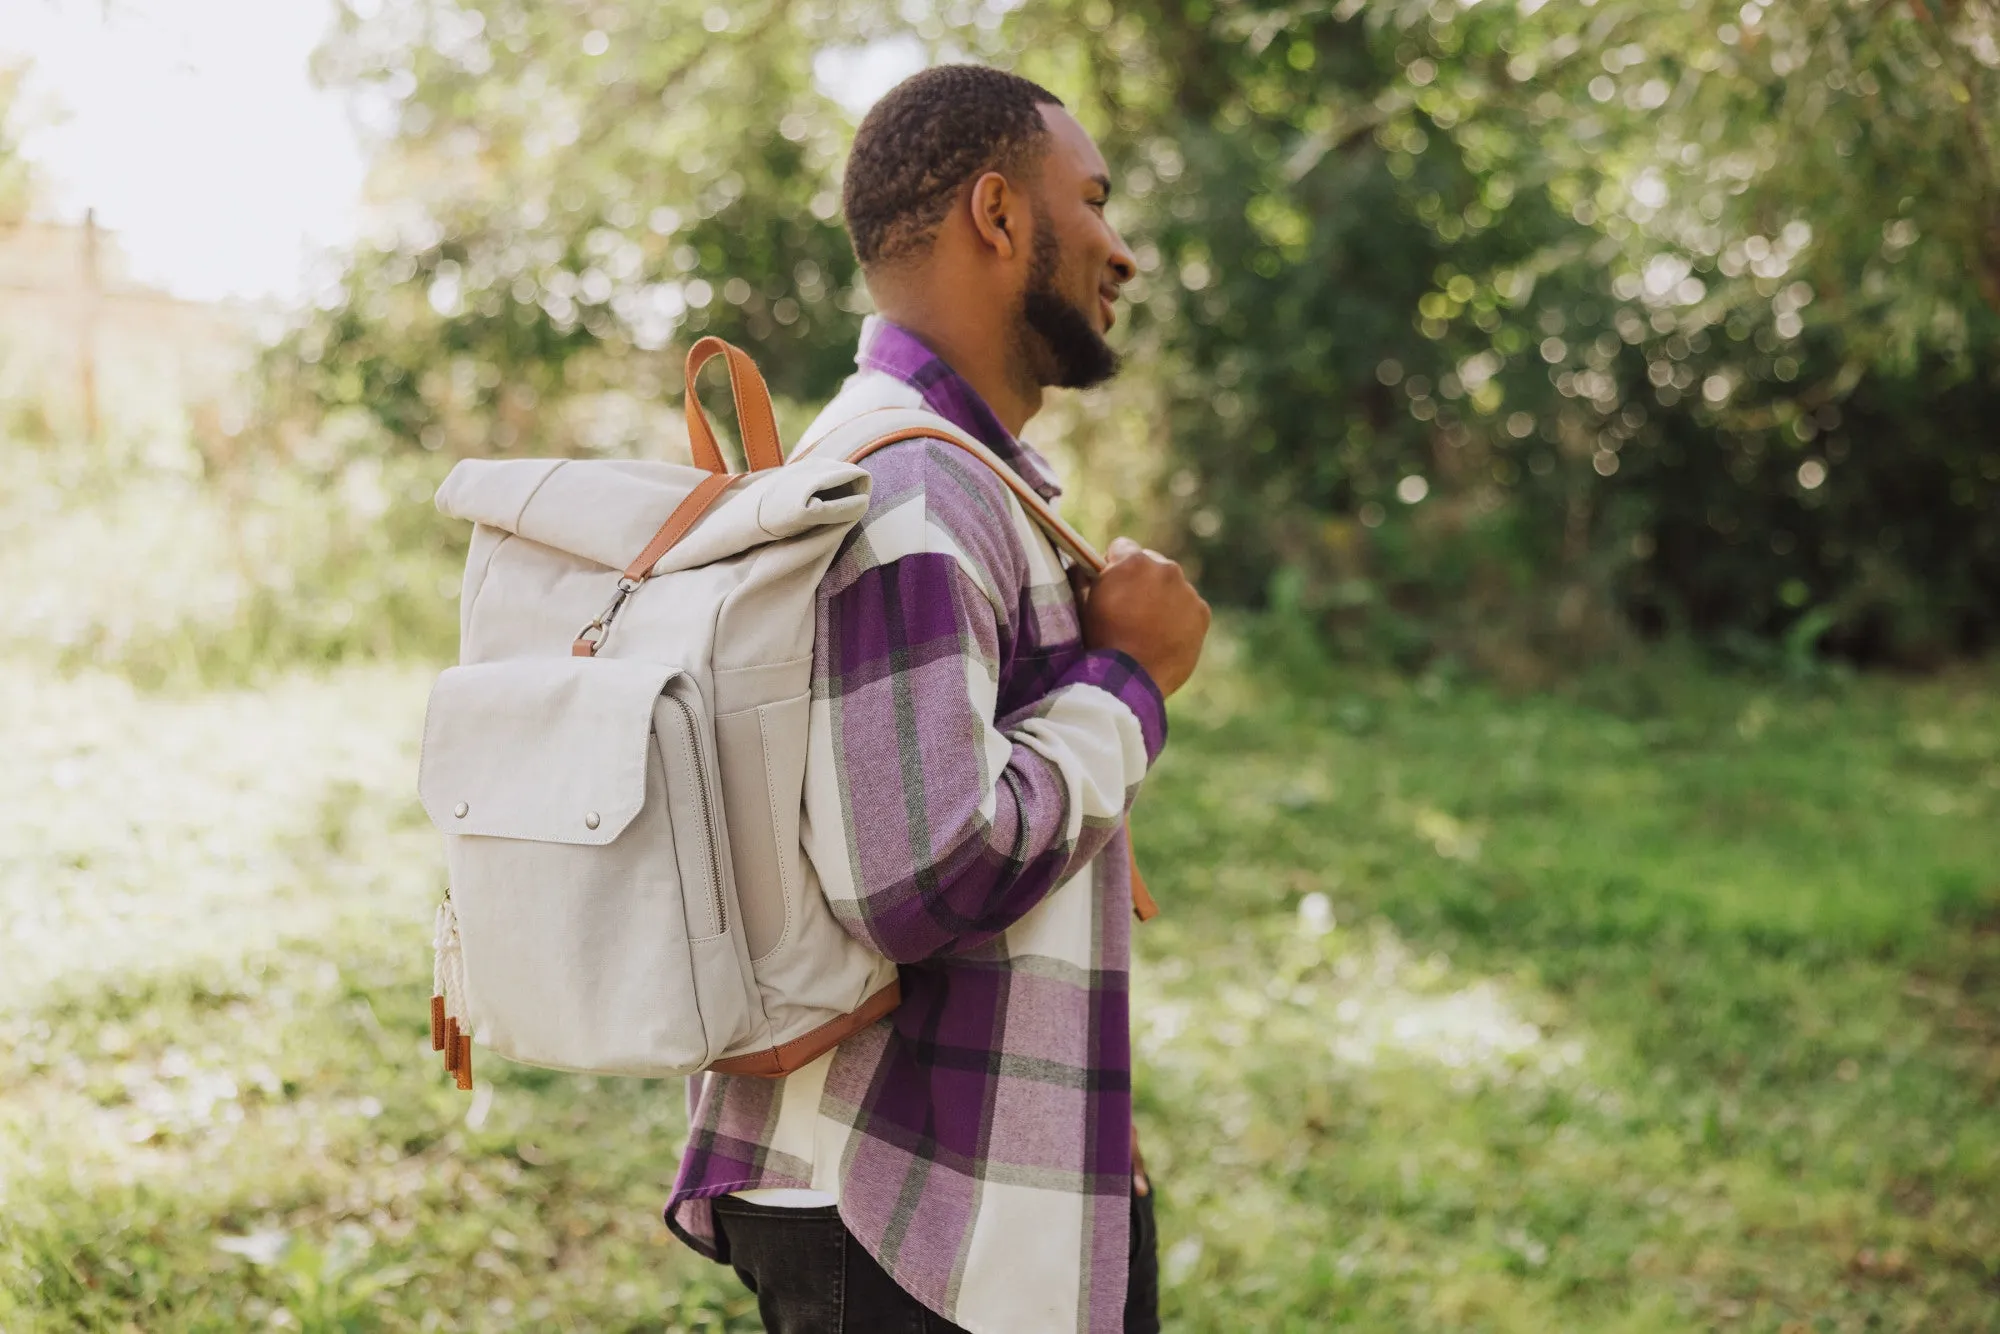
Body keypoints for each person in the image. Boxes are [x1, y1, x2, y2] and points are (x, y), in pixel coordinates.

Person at [664, 64, 1211, 1334]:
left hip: (943, 1177)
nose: (1120, 250)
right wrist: (1130, 680)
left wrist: (1080, 1130)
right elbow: (921, 872)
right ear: (998, 215)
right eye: (1092, 201)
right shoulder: (914, 487)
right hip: (906, 1210)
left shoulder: (926, 464)